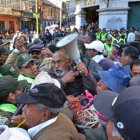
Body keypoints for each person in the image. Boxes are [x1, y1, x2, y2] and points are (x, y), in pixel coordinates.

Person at [15, 83, 80, 140]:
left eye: (28, 107)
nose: (23, 109)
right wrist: (28, 125)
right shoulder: (60, 116)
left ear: (45, 115)